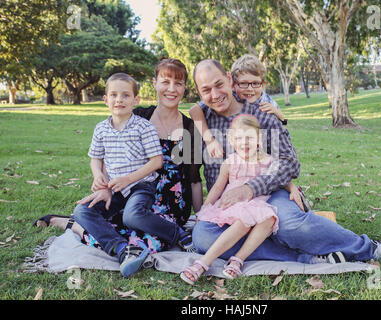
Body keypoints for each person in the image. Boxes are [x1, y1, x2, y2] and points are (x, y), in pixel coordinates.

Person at [191, 58, 381, 271]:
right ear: (199, 93)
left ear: (229, 79)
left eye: (218, 84)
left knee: (290, 225)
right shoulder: (201, 122)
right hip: (229, 204)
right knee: (203, 237)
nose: (215, 94)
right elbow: (191, 173)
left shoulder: (263, 114)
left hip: (269, 193)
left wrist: (251, 188)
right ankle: (307, 257)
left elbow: (290, 163)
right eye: (206, 90)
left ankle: (369, 248)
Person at [34, 59, 203, 277]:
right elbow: (107, 155)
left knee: (149, 241)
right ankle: (76, 223)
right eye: (165, 81)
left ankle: (74, 225)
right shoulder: (138, 116)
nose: (171, 89)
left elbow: (194, 179)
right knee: (99, 216)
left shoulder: (190, 129)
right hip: (127, 192)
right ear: (154, 83)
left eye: (178, 83)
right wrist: (104, 187)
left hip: (168, 205)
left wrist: (199, 215)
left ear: (184, 88)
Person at [181, 114, 305, 284]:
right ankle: (202, 264)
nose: (244, 142)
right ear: (231, 140)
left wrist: (293, 189)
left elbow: (283, 178)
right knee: (243, 220)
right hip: (233, 205)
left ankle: (237, 260)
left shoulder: (268, 161)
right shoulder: (230, 162)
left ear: (258, 138)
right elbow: (218, 187)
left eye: (249, 137)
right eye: (239, 138)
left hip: (255, 205)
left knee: (268, 218)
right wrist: (204, 209)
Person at [189, 54, 287, 159]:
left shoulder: (266, 106)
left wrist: (280, 117)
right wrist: (209, 139)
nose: (250, 89)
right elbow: (194, 110)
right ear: (234, 84)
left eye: (255, 83)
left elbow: (283, 131)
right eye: (243, 84)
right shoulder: (217, 103)